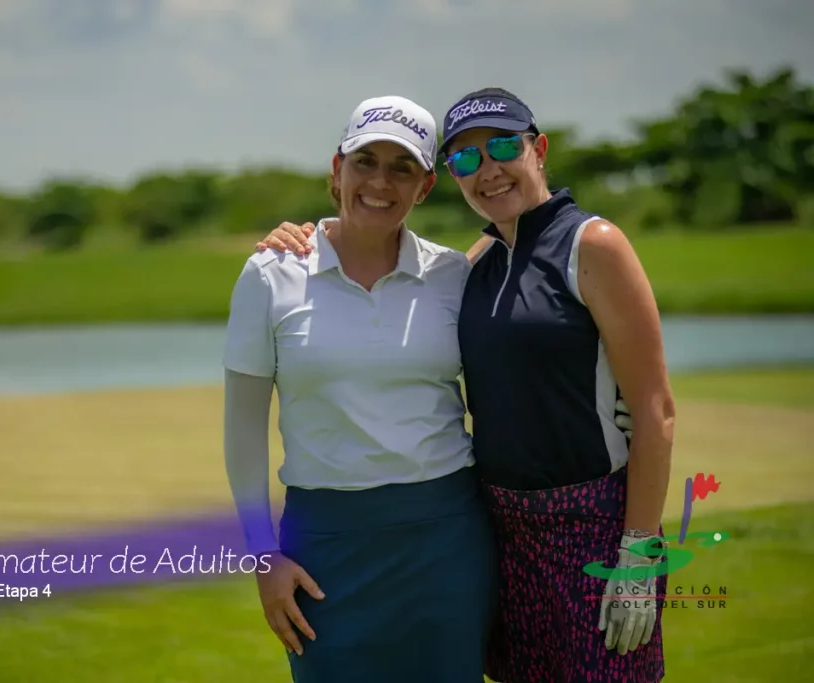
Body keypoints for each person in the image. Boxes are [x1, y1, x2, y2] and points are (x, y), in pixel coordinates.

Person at [253, 87, 672, 683]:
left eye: (502, 147)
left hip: (594, 529)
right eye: (466, 158)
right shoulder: (475, 263)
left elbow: (655, 411)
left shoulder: (593, 244)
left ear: (538, 149)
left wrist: (640, 551)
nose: (488, 169)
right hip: (501, 530)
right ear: (450, 175)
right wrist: (304, 236)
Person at [221, 95, 498, 683]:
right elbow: (243, 431)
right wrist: (262, 556)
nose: (379, 182)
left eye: (402, 168)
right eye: (364, 161)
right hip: (325, 544)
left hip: (448, 537)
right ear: (337, 169)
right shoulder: (270, 274)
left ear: (425, 187)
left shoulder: (453, 275)